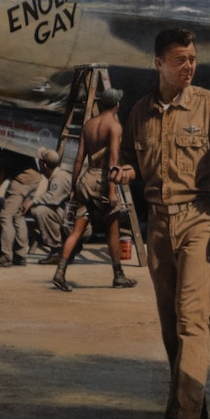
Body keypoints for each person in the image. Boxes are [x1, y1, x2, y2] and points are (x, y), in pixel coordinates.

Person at [125, 27, 210, 419]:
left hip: (199, 221)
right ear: (159, 64)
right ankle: (193, 396)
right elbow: (134, 166)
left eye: (192, 58)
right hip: (158, 225)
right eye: (180, 59)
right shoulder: (139, 112)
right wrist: (126, 173)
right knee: (171, 324)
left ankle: (183, 418)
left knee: (193, 319)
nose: (188, 66)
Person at [52, 88, 136, 291]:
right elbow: (114, 160)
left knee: (77, 230)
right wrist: (112, 190)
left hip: (85, 179)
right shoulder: (114, 126)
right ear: (116, 105)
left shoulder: (89, 125)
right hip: (103, 179)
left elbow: (79, 159)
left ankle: (60, 272)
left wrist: (74, 188)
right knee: (113, 228)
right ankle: (118, 275)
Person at [0, 151, 45, 267]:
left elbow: (1, 175)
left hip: (22, 181)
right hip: (35, 179)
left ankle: (6, 256)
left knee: (6, 216)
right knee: (19, 216)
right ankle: (21, 255)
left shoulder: (4, 148)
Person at [28, 148, 73, 258]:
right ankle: (67, 246)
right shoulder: (59, 174)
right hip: (71, 218)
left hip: (75, 224)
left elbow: (53, 198)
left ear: (44, 165)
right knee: (37, 211)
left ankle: (56, 250)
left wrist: (32, 201)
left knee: (41, 211)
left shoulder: (60, 178)